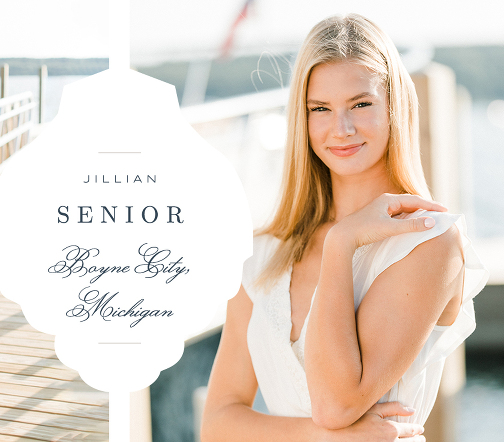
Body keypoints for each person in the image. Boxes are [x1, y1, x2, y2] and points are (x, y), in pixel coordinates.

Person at [201, 13, 488, 441]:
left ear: (394, 107)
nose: (342, 128)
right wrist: (327, 439)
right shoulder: (263, 252)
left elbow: (336, 403)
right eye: (321, 109)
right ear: (303, 118)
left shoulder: (430, 242)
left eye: (361, 103)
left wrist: (341, 243)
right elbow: (218, 424)